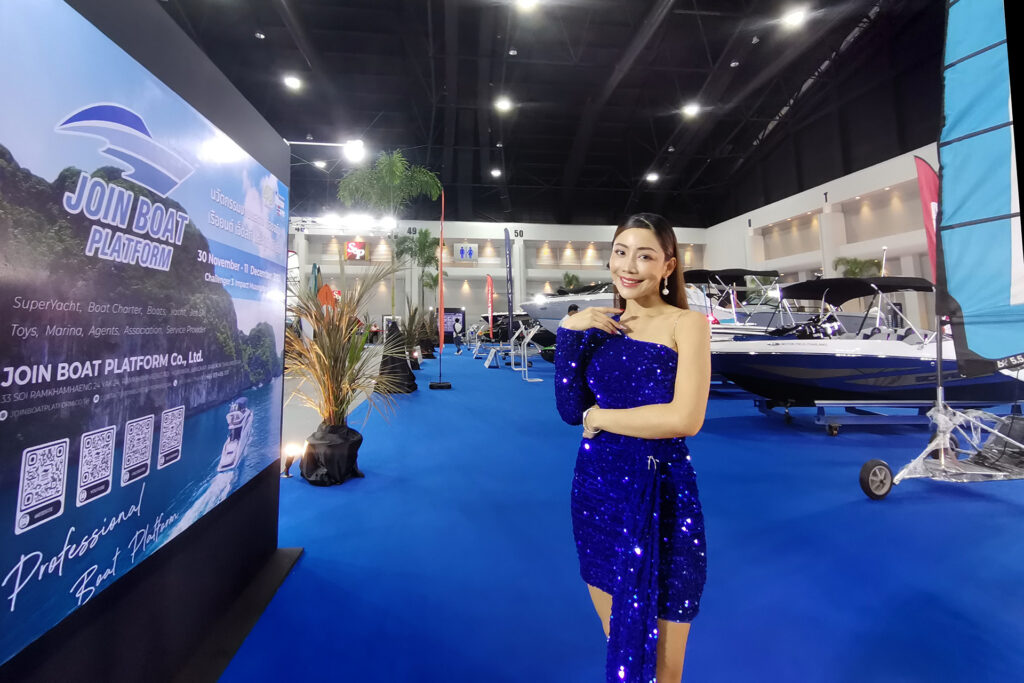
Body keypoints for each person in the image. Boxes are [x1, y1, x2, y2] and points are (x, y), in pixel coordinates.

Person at [555, 212, 711, 683]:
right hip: (597, 491)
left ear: (668, 266)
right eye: (620, 253)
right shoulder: (601, 328)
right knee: (618, 638)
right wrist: (569, 332)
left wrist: (601, 418)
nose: (629, 266)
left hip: (662, 491)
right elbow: (570, 409)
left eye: (644, 256)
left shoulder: (688, 324)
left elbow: (685, 419)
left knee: (665, 665)